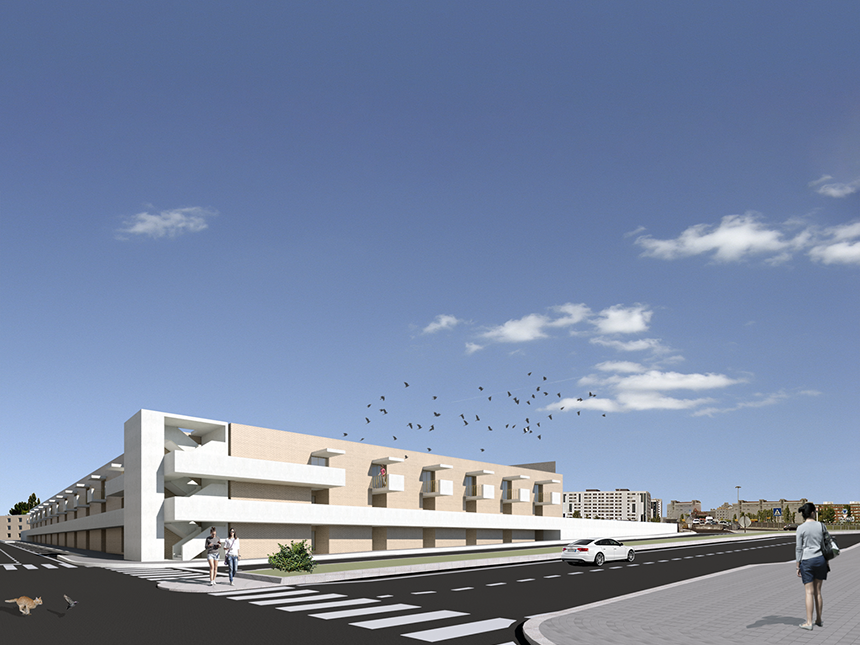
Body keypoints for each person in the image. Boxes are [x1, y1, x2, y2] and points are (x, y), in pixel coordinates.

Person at [795, 502, 827, 630]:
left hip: (807, 561)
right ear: (813, 513)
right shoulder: (821, 526)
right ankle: (818, 619)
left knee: (809, 592)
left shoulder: (800, 528)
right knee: (818, 592)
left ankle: (809, 623)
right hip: (820, 560)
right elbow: (826, 544)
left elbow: (798, 548)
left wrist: (798, 566)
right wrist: (827, 561)